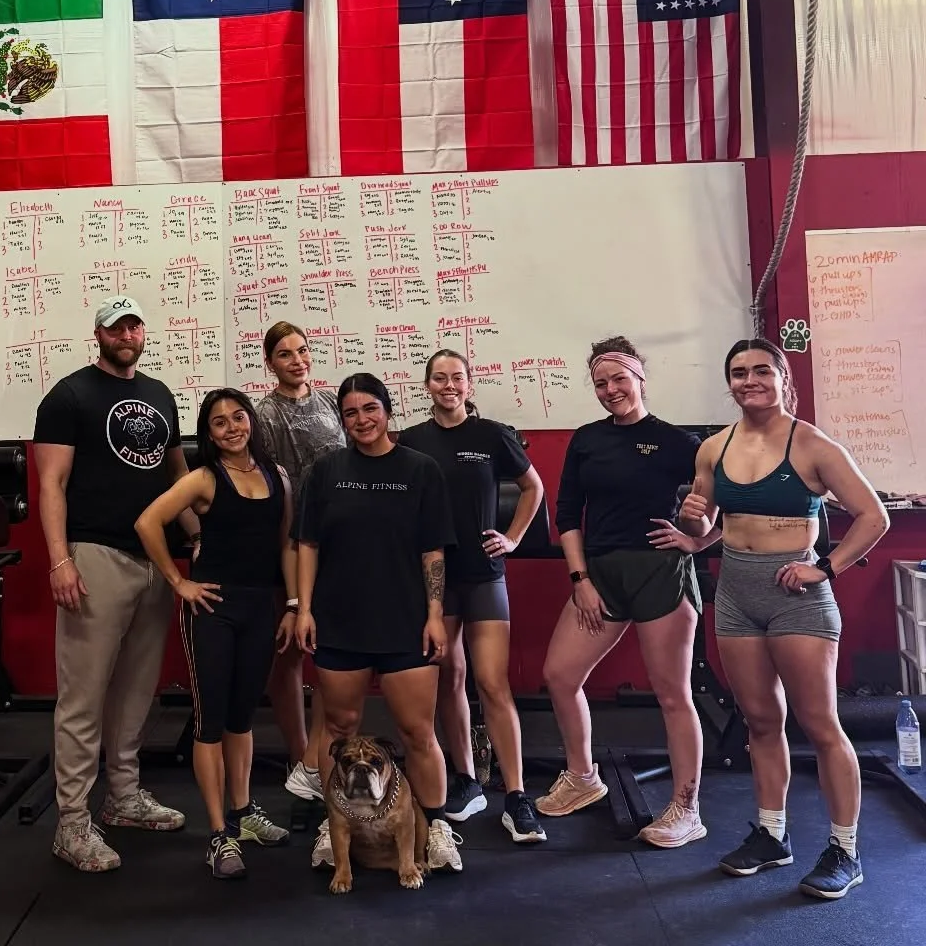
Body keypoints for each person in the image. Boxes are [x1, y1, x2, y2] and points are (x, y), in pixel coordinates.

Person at [678, 338, 890, 900]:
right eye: (739, 372)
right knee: (761, 722)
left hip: (796, 593)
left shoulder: (814, 445)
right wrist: (693, 519)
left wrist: (826, 568)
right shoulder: (712, 448)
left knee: (819, 724)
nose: (750, 380)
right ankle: (772, 835)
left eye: (761, 370)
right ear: (729, 382)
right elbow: (705, 532)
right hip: (736, 591)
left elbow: (873, 516)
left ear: (782, 377)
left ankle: (845, 849)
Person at [34, 296, 194, 872]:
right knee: (82, 698)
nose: (127, 333)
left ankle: (122, 797)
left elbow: (178, 475)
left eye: (134, 324)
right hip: (95, 554)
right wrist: (59, 560)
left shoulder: (159, 395)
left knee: (136, 691)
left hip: (155, 560)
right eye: (116, 326)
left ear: (143, 331)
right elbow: (50, 484)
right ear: (98, 333)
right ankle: (72, 824)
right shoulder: (69, 396)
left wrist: (197, 535)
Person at [535, 336, 708, 849]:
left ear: (640, 379)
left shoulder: (680, 443)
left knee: (673, 694)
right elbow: (567, 517)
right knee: (560, 675)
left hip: (661, 574)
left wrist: (698, 542)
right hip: (602, 576)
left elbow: (723, 507)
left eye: (619, 379)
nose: (611, 390)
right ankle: (583, 778)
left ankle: (686, 807)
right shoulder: (587, 440)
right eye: (601, 383)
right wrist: (580, 580)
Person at [294, 372, 463, 874]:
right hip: (340, 621)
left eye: (370, 409)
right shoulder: (324, 472)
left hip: (405, 622)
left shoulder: (421, 469)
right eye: (350, 413)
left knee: (417, 732)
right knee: (338, 729)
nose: (361, 420)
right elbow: (307, 545)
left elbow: (433, 549)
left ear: (387, 411)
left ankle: (435, 829)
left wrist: (435, 616)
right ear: (341, 420)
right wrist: (302, 608)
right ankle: (335, 821)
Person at [135, 388, 294, 879]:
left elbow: (287, 543)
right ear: (209, 433)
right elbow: (148, 522)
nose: (231, 427)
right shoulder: (204, 479)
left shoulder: (278, 476)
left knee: (243, 719)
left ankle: (245, 814)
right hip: (213, 611)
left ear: (251, 422)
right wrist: (179, 582)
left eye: (238, 417)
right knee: (210, 721)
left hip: (260, 609)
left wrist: (291, 603)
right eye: (219, 422)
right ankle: (218, 832)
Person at [399, 349, 548, 844]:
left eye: (457, 377)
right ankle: (466, 778)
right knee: (450, 676)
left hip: (484, 574)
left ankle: (517, 795)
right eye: (439, 378)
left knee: (491, 682)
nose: (449, 385)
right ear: (427, 385)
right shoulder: (414, 441)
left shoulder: (491, 435)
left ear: (469, 383)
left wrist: (514, 538)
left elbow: (533, 487)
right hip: (437, 580)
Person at [253, 322, 346, 803]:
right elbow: (272, 489)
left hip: (339, 541)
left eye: (303, 351)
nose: (298, 360)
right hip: (290, 541)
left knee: (334, 650)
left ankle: (323, 753)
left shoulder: (331, 402)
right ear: (270, 363)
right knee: (288, 653)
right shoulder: (264, 415)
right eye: (285, 354)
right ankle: (298, 755)